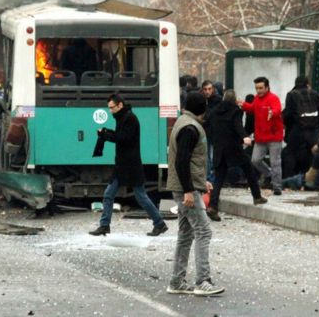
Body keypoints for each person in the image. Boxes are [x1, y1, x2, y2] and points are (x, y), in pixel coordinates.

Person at [166, 92, 224, 296]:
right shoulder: (191, 128)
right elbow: (182, 161)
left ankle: (177, 281)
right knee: (203, 231)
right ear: (203, 108)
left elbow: (189, 161)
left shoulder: (183, 122)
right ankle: (203, 281)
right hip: (185, 190)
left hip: (183, 186)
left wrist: (200, 181)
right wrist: (189, 190)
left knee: (185, 234)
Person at [89, 94, 168, 236]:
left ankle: (159, 223)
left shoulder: (129, 118)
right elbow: (121, 136)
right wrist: (107, 132)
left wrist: (106, 136)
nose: (110, 111)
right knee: (109, 194)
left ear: (120, 105)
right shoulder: (124, 117)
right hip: (123, 165)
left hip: (130, 165)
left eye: (112, 108)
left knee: (140, 196)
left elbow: (124, 138)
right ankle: (105, 225)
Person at [207, 89, 266, 221]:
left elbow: (208, 127)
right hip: (233, 147)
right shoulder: (236, 111)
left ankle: (212, 206)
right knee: (249, 169)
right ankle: (257, 196)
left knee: (219, 179)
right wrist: (245, 137)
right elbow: (237, 126)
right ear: (234, 99)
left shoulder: (215, 111)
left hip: (219, 148)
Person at [241, 77, 284, 195]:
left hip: (274, 136)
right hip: (260, 136)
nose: (258, 91)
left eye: (260, 88)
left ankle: (277, 187)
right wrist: (242, 104)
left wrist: (272, 113)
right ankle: (269, 174)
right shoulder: (256, 99)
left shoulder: (273, 98)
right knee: (255, 160)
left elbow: (277, 109)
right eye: (256, 88)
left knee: (275, 162)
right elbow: (251, 109)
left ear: (267, 88)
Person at [282, 76, 319, 181]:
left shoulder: (291, 95)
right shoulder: (315, 94)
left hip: (296, 131)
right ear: (307, 83)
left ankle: (290, 180)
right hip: (313, 132)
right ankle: (308, 180)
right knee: (309, 156)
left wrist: (289, 128)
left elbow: (288, 114)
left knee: (291, 155)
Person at [202, 80, 222, 183]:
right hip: (206, 131)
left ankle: (211, 179)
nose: (207, 91)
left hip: (214, 131)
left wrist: (204, 118)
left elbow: (211, 114)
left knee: (211, 156)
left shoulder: (217, 100)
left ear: (213, 89)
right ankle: (209, 178)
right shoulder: (203, 100)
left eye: (209, 89)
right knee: (207, 156)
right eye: (205, 89)